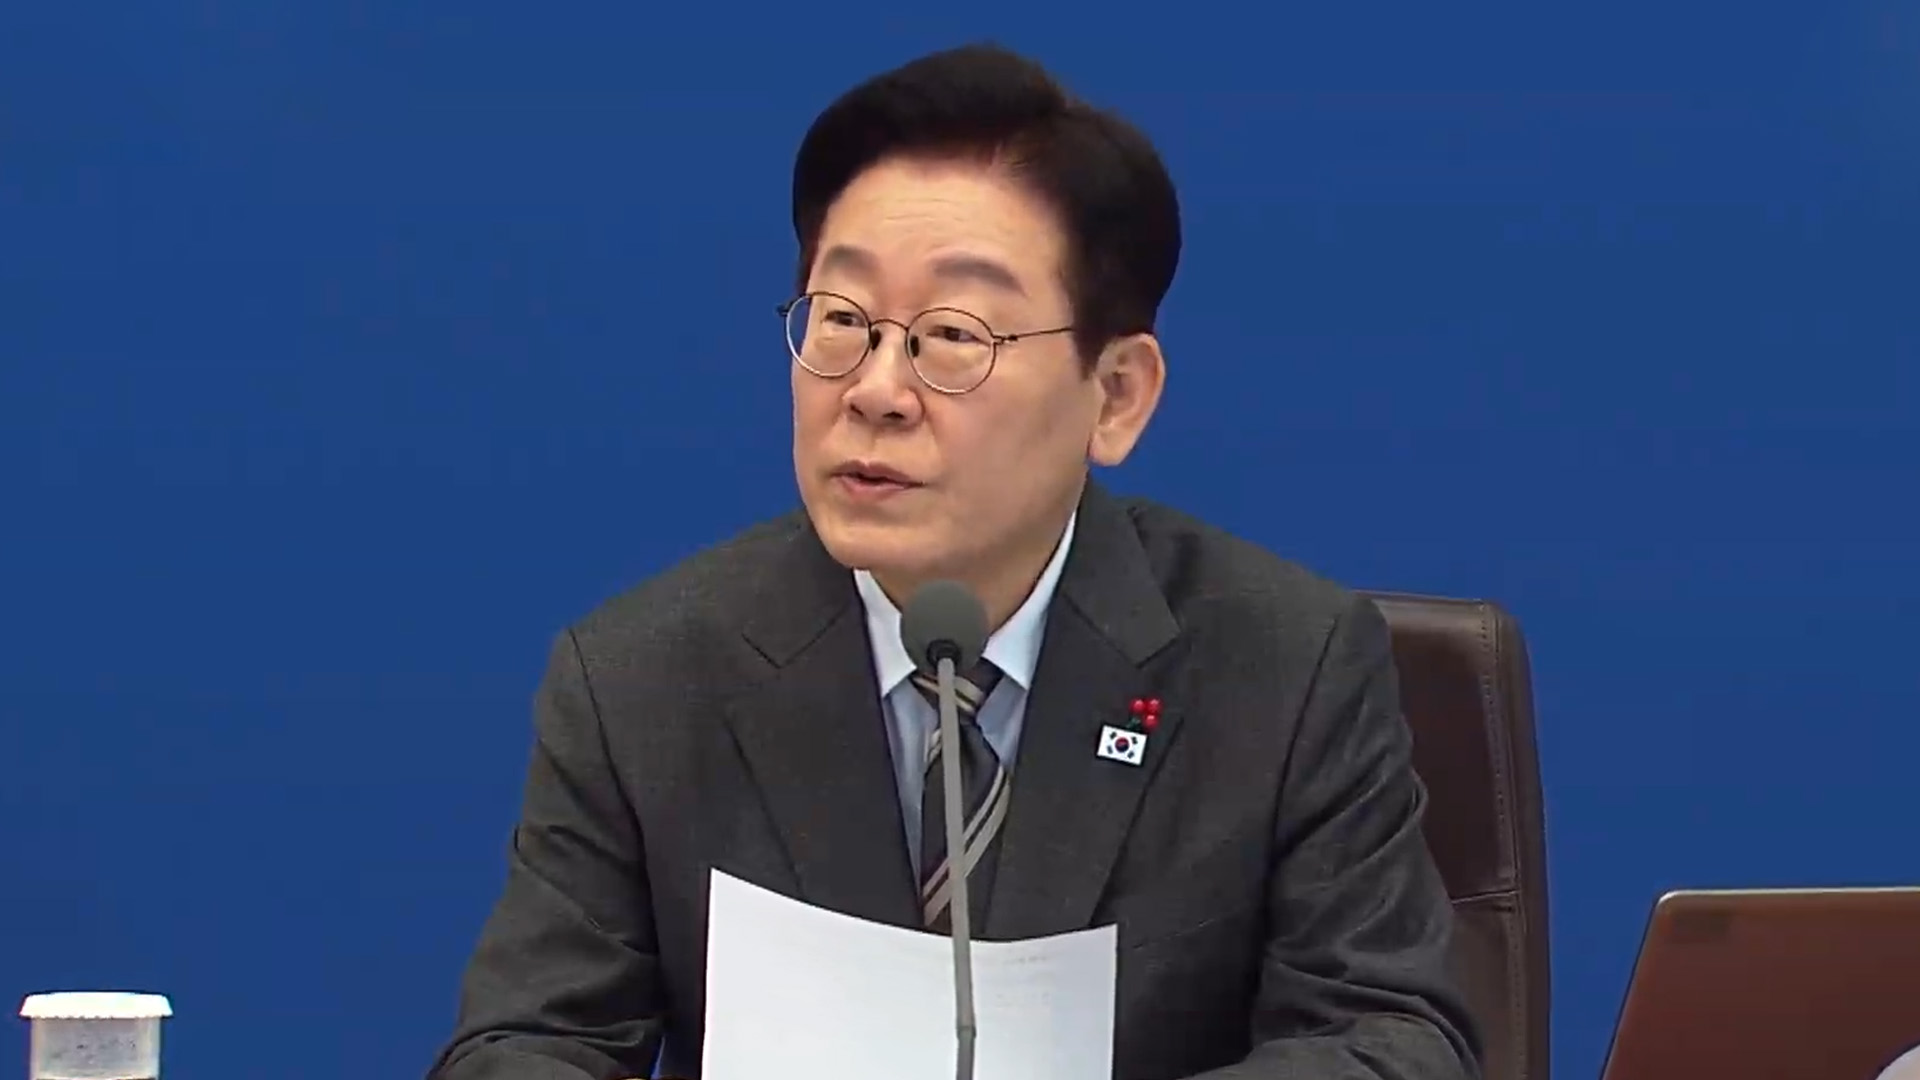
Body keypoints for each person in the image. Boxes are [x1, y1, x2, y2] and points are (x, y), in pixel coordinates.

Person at [428, 42, 1482, 1080]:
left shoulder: (1287, 667)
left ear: (1117, 395)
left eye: (953, 336)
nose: (876, 390)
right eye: (842, 320)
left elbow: (1392, 1041)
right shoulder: (642, 680)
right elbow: (524, 1045)